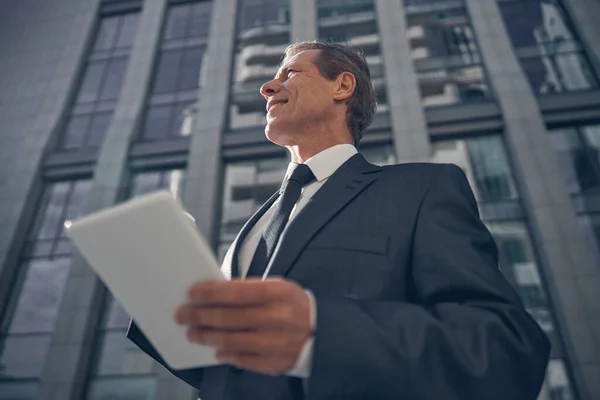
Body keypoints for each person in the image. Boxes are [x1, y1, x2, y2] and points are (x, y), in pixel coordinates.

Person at [128, 40, 550, 399]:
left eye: (290, 72)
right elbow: (227, 369)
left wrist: (317, 330)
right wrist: (164, 293)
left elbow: (502, 348)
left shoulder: (421, 190)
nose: (267, 86)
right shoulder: (253, 228)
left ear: (342, 85)